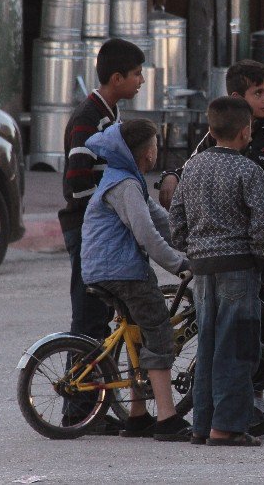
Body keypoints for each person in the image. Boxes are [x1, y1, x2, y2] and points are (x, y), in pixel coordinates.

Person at [158, 60, 264, 336]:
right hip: (238, 236)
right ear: (236, 98)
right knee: (255, 317)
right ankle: (262, 374)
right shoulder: (219, 133)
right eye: (258, 92)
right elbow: (190, 167)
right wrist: (171, 176)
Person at [169, 97, 264, 447]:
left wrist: (193, 248)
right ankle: (226, 427)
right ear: (246, 132)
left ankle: (202, 424)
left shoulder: (193, 167)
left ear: (210, 131)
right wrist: (259, 258)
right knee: (237, 348)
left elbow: (176, 220)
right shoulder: (250, 171)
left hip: (201, 269)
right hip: (238, 268)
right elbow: (262, 226)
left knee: (209, 345)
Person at [81, 118, 192, 441]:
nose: (157, 151)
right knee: (158, 330)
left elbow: (160, 220)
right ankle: (168, 419)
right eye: (156, 145)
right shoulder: (126, 186)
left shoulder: (125, 179)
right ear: (146, 153)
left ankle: (138, 414)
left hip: (106, 268)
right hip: (122, 271)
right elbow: (146, 235)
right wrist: (178, 265)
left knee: (136, 336)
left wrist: (190, 241)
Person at [57, 37, 145, 433]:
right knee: (90, 317)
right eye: (137, 74)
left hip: (100, 231)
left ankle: (94, 405)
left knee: (102, 317)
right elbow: (77, 187)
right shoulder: (88, 118)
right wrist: (116, 206)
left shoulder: (110, 114)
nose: (141, 80)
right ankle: (78, 412)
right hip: (88, 231)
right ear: (116, 78)